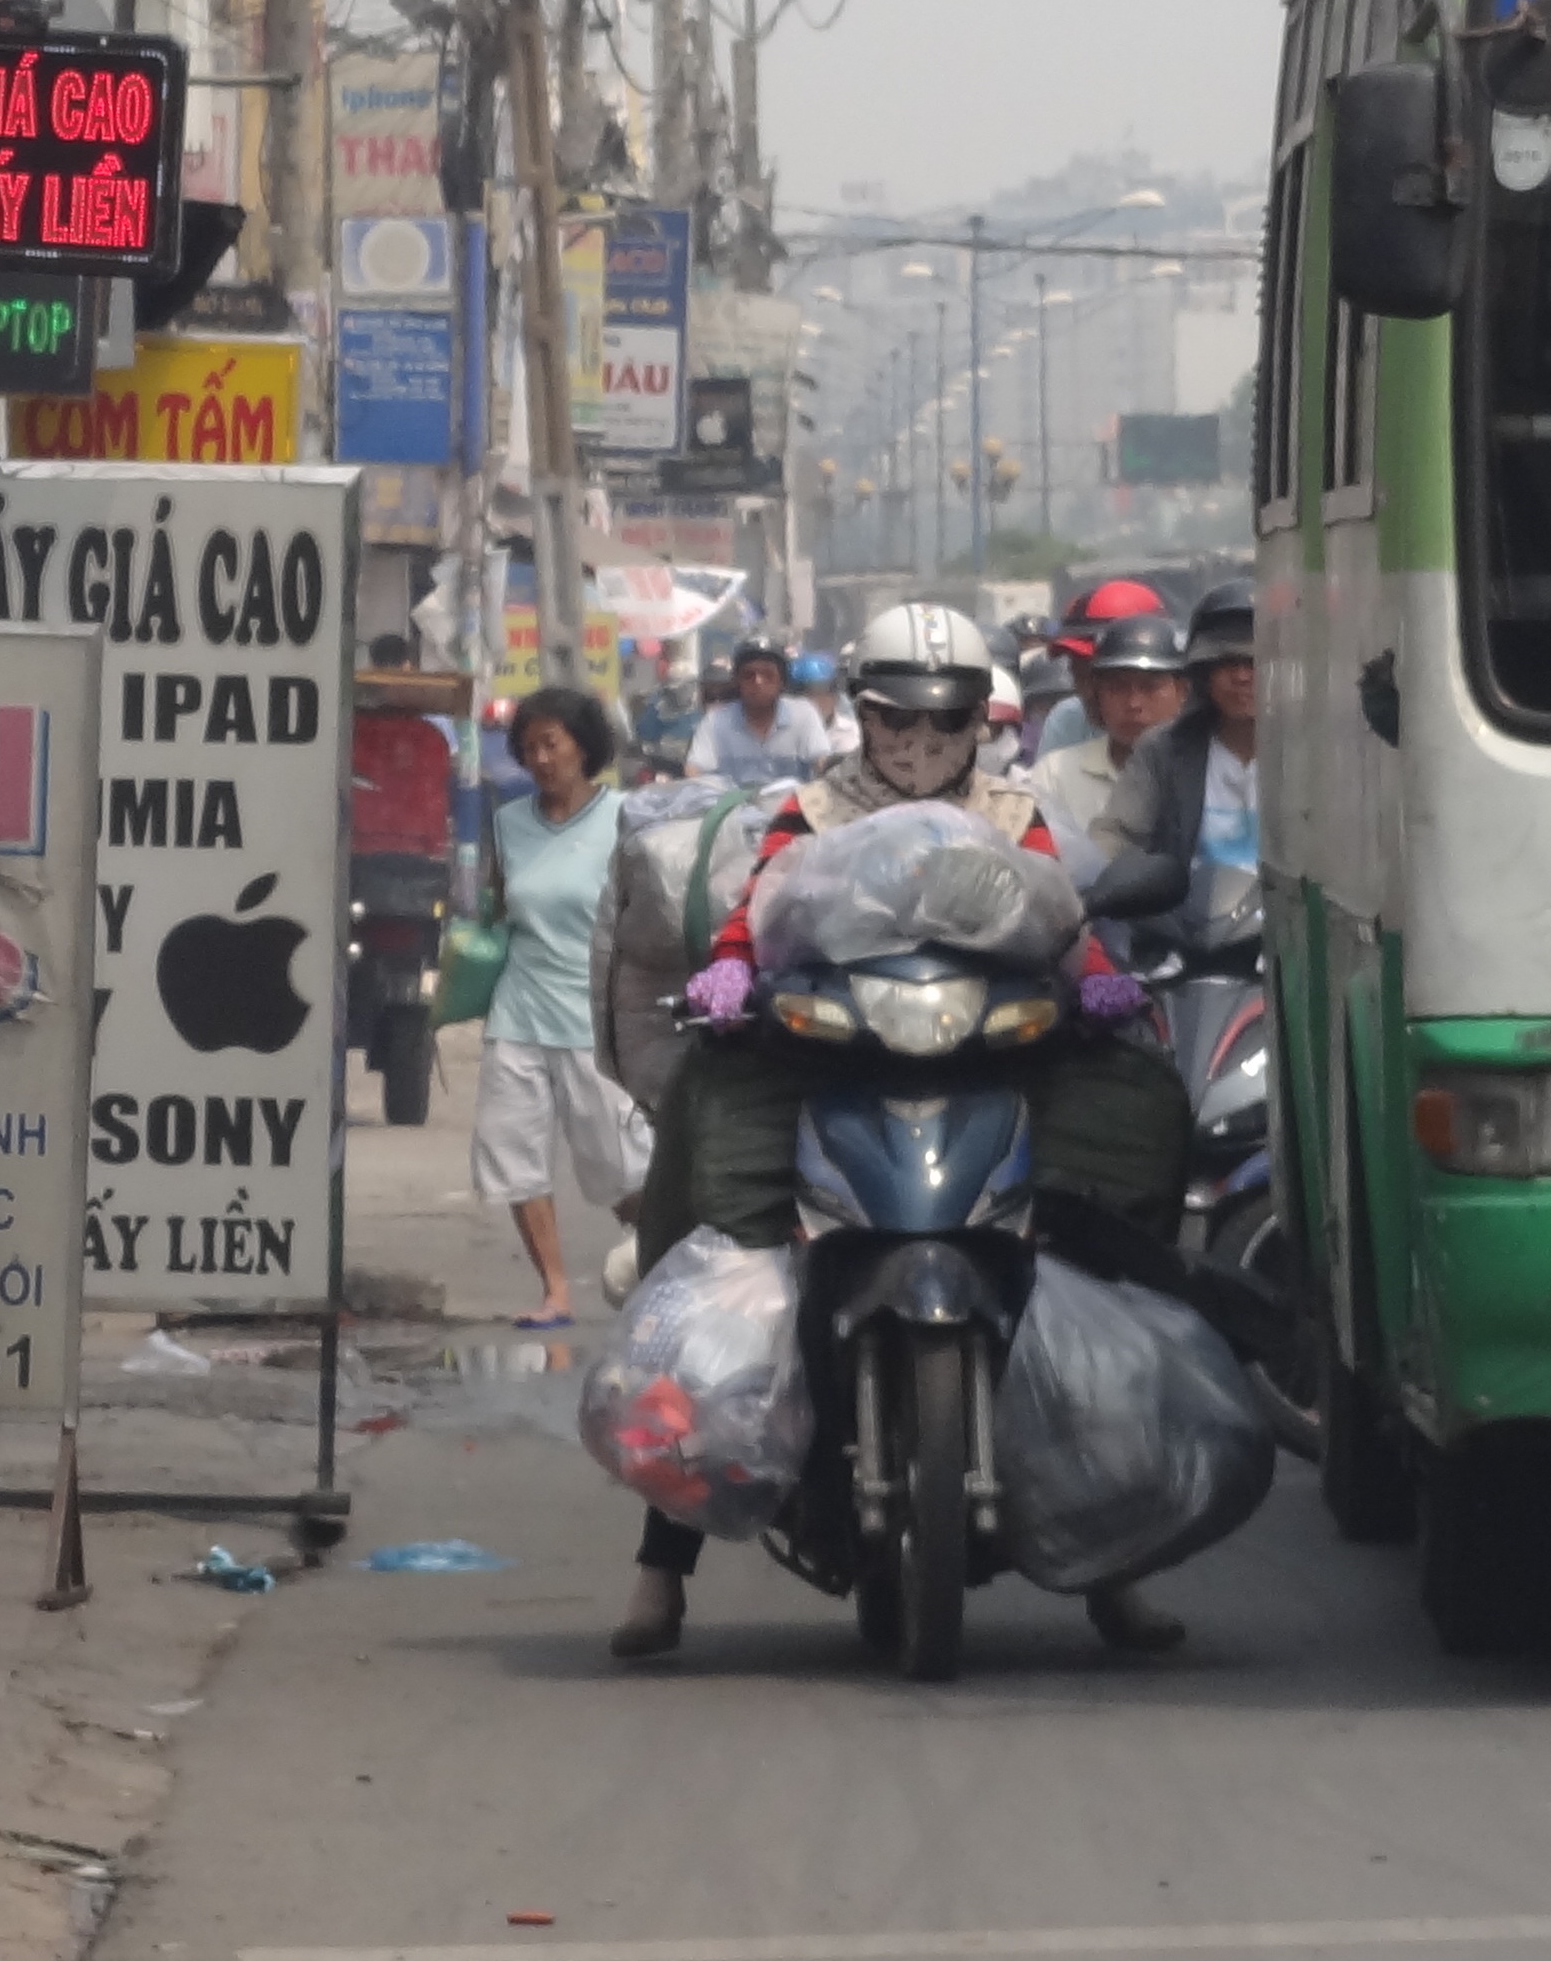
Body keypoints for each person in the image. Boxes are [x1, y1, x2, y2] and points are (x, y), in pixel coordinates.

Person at [602, 602, 1192, 1663]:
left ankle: (1115, 1572)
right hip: (824, 1062)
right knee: (706, 1258)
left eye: (944, 717)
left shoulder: (1012, 815)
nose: (917, 742)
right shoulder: (813, 810)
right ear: (859, 716)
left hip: (995, 1060)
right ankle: (661, 1563)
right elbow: (755, 913)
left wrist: (1099, 986)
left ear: (980, 718)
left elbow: (1064, 924)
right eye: (893, 718)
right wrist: (730, 969)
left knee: (1126, 1179)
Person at [472, 686, 649, 1329]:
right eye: (529, 747)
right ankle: (555, 1291)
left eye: (552, 743)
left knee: (621, 1162)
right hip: (519, 1009)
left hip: (594, 1015)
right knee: (512, 1151)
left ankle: (656, 1261)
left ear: (584, 746)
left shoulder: (625, 818)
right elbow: (494, 910)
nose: (541, 758)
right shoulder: (507, 823)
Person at [1090, 583, 1260, 958]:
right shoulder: (1163, 749)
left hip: (1291, 944)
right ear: (1202, 673)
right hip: (1184, 943)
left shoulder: (1309, 753)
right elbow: (1115, 837)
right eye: (1227, 663)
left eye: (1255, 662)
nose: (1242, 676)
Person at [1029, 606, 1189, 854]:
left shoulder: (1207, 769)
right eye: (1118, 688)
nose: (1134, 704)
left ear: (1182, 692)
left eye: (1150, 688)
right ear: (1097, 693)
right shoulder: (1054, 776)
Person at [1027, 579, 1169, 757]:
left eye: (1110, 680)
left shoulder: (1201, 729)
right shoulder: (1068, 720)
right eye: (1079, 675)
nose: (1087, 692)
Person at [682, 640, 821, 788]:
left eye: (768, 675)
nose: (758, 681)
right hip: (733, 808)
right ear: (737, 681)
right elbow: (693, 771)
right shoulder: (715, 721)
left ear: (782, 681)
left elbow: (821, 761)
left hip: (790, 808)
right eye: (749, 675)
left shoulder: (803, 714)